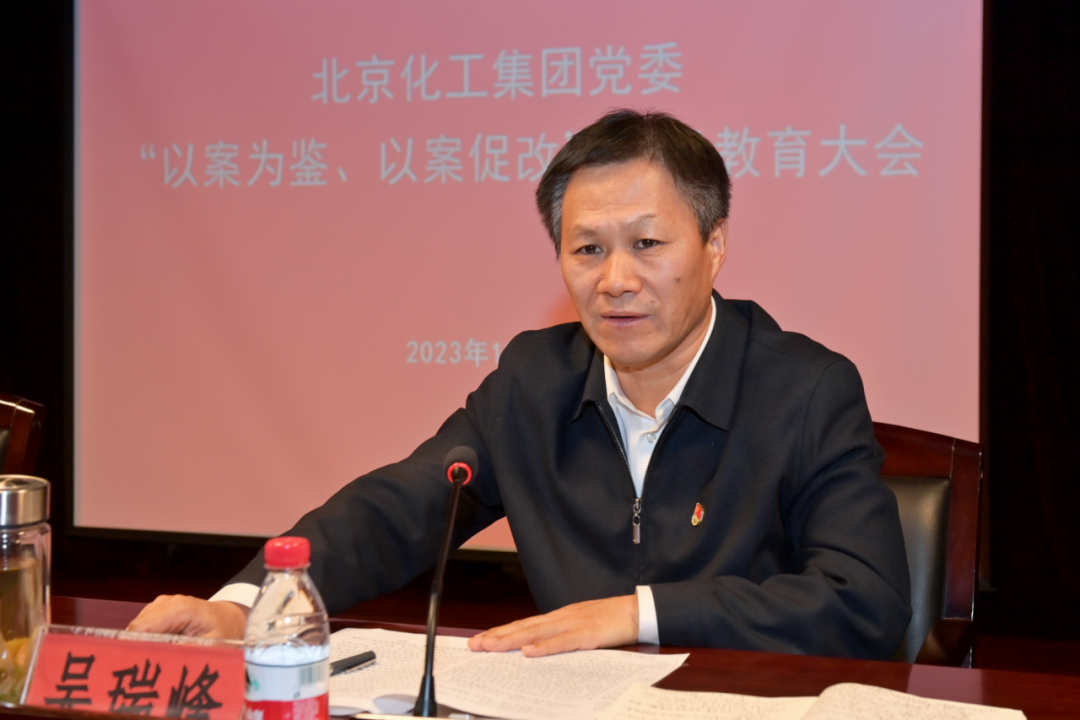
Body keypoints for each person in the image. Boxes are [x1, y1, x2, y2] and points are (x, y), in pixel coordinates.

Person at [130, 110, 911, 659]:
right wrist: (245, 607)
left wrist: (638, 615)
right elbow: (398, 510)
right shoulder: (535, 382)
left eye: (647, 243)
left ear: (714, 245)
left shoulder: (806, 390)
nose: (615, 280)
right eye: (587, 250)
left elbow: (864, 601)